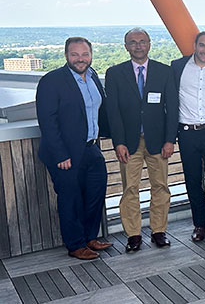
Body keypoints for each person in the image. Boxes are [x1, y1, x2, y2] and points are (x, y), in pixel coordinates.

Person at [36, 37, 112, 260]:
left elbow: (100, 110)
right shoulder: (52, 81)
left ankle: (90, 238)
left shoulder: (93, 76)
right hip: (65, 154)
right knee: (70, 200)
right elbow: (47, 121)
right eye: (75, 54)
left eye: (84, 54)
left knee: (95, 194)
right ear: (66, 55)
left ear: (91, 55)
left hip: (91, 148)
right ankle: (75, 245)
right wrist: (61, 154)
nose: (80, 59)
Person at [105, 27, 178, 252]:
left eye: (142, 41)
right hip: (128, 142)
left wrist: (170, 140)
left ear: (149, 44)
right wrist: (118, 142)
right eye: (133, 42)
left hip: (158, 141)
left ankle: (158, 231)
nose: (138, 45)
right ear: (126, 46)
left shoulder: (164, 71)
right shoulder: (115, 73)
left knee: (161, 187)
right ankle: (133, 235)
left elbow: (173, 108)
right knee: (130, 189)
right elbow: (113, 111)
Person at [171, 31, 205, 245]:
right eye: (203, 46)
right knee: (193, 181)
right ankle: (199, 225)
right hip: (187, 133)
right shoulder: (177, 67)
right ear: (195, 45)